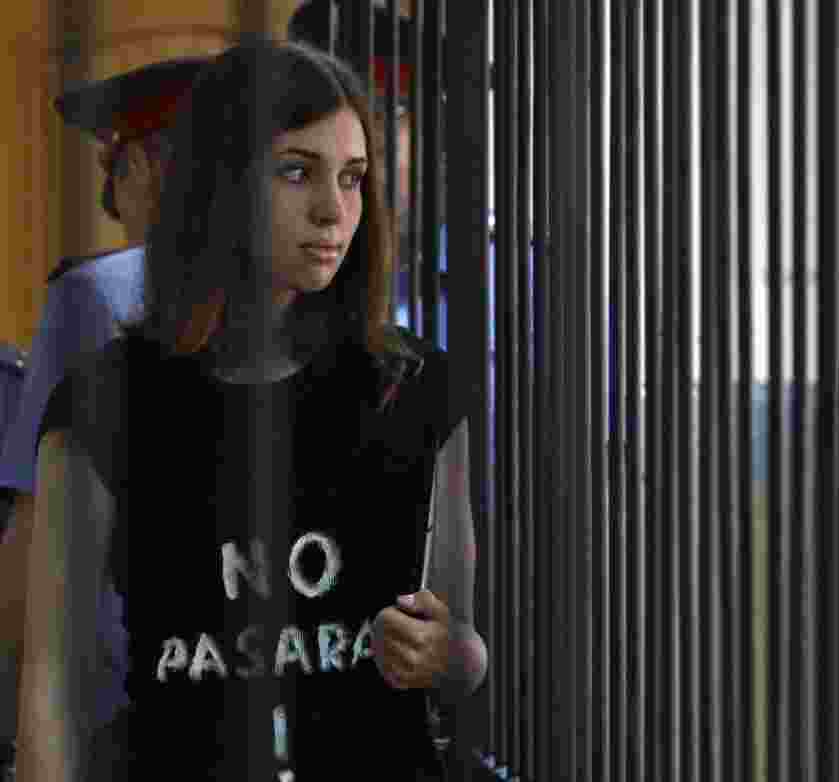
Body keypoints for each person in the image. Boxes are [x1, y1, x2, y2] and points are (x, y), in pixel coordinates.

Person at [17, 39, 486, 782]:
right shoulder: (102, 403)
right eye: (296, 171)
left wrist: (455, 653)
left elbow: (458, 648)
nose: (335, 210)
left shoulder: (419, 389)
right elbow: (52, 691)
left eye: (355, 178)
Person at [0, 57, 206, 775]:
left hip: (118, 712)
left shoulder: (94, 296)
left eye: (113, 166)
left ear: (146, 164)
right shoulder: (298, 291)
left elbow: (32, 554)